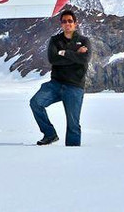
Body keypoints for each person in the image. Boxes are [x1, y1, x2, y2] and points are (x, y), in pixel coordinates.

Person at [30, 8, 90, 146]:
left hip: (74, 87)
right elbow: (53, 59)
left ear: (75, 23)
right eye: (64, 21)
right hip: (55, 84)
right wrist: (75, 54)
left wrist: (64, 53)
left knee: (73, 124)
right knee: (36, 102)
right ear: (61, 24)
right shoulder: (55, 40)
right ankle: (50, 134)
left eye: (70, 21)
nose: (67, 24)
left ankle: (73, 154)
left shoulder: (84, 41)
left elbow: (84, 59)